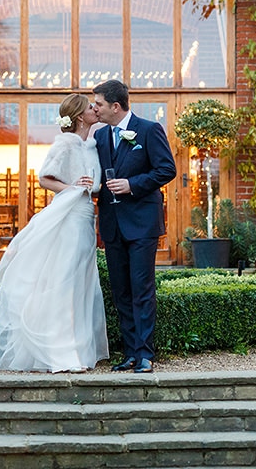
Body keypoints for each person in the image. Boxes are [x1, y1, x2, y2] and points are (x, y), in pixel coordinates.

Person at [0, 93, 109, 372]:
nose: (95, 109)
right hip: (69, 216)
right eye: (90, 108)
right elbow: (45, 178)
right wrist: (73, 188)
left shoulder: (91, 146)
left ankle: (80, 350)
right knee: (65, 281)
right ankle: (61, 353)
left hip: (86, 218)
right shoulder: (65, 145)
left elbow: (95, 184)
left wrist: (95, 188)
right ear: (80, 116)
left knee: (82, 282)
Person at [92, 79, 177, 374]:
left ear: (116, 106)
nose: (95, 109)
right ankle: (129, 353)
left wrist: (132, 184)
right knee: (121, 291)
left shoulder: (149, 129)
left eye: (99, 104)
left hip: (142, 224)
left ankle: (144, 354)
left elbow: (167, 169)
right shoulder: (100, 137)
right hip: (112, 224)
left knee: (141, 289)